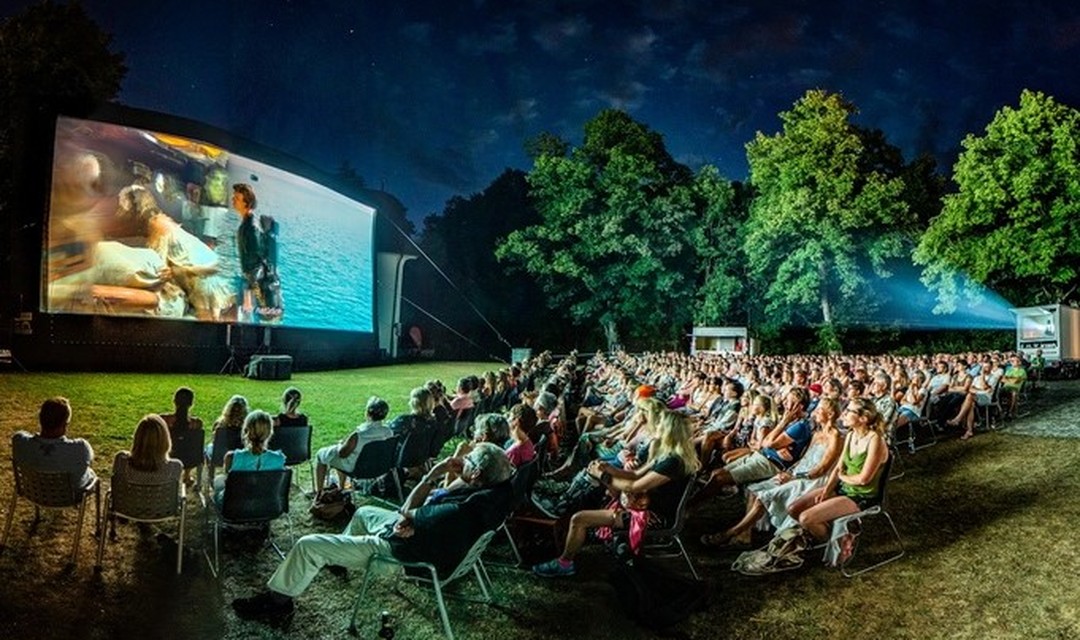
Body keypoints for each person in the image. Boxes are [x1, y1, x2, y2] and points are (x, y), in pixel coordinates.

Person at [231, 442, 515, 623]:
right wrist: (414, 522)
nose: (462, 460)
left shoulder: (457, 511)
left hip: (398, 556)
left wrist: (433, 475)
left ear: (477, 474)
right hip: (422, 540)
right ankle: (339, 559)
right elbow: (415, 517)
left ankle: (278, 603)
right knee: (364, 512)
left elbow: (406, 509)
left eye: (468, 460)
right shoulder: (488, 495)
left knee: (308, 545)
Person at [532, 409, 700, 578]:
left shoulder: (673, 462)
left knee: (579, 519)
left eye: (661, 425)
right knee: (599, 490)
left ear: (669, 431)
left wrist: (603, 476)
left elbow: (634, 486)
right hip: (643, 506)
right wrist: (608, 468)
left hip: (650, 517)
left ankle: (564, 563)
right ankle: (565, 512)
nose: (657, 427)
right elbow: (635, 474)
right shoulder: (668, 454)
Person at [701, 397, 843, 548]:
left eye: (819, 409)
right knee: (754, 490)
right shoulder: (817, 433)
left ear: (830, 414)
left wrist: (793, 477)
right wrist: (788, 472)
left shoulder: (835, 436)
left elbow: (822, 468)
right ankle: (744, 535)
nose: (814, 412)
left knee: (764, 497)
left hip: (813, 480)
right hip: (799, 473)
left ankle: (730, 533)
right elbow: (804, 459)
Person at [787, 397, 888, 544]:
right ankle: (826, 534)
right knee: (793, 509)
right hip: (843, 488)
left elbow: (863, 479)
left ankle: (832, 544)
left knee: (805, 518)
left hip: (860, 495)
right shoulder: (851, 435)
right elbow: (838, 468)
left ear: (863, 418)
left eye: (849, 411)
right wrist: (827, 490)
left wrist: (842, 476)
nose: (844, 413)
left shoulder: (875, 440)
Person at [12, 397, 97, 493]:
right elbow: (90, 460)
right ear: (65, 424)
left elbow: (22, 434)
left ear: (40, 419)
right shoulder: (80, 448)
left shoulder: (19, 441)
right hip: (68, 496)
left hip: (34, 491)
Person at [313, 396, 392, 498]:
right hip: (379, 468)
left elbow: (342, 454)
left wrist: (341, 445)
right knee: (338, 455)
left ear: (367, 413)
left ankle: (319, 492)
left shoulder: (358, 435)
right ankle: (340, 488)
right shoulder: (389, 432)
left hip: (357, 469)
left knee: (321, 455)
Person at [109, 415, 184, 517]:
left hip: (127, 508)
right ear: (165, 440)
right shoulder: (175, 467)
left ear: (137, 438)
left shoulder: (121, 460)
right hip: (161, 510)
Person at [215, 410, 286, 504]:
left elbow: (228, 484)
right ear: (270, 433)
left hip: (237, 506)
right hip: (267, 505)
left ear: (245, 431)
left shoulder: (231, 457)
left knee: (218, 481)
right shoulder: (279, 459)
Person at [160, 386, 204, 485]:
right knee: (187, 446)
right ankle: (187, 475)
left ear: (174, 401)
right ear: (191, 404)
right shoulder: (197, 423)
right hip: (190, 459)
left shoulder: (163, 420)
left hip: (169, 455)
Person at [233, 183, 261, 321]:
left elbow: (258, 261)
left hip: (251, 281)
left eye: (237, 198)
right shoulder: (246, 223)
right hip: (247, 279)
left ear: (246, 203)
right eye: (234, 197)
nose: (233, 200)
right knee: (244, 317)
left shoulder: (251, 227)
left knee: (247, 319)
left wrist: (249, 291)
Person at [206, 395, 249, 469]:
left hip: (220, 458)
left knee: (209, 446)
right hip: (240, 458)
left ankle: (211, 473)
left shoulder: (219, 424)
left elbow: (214, 441)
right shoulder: (247, 427)